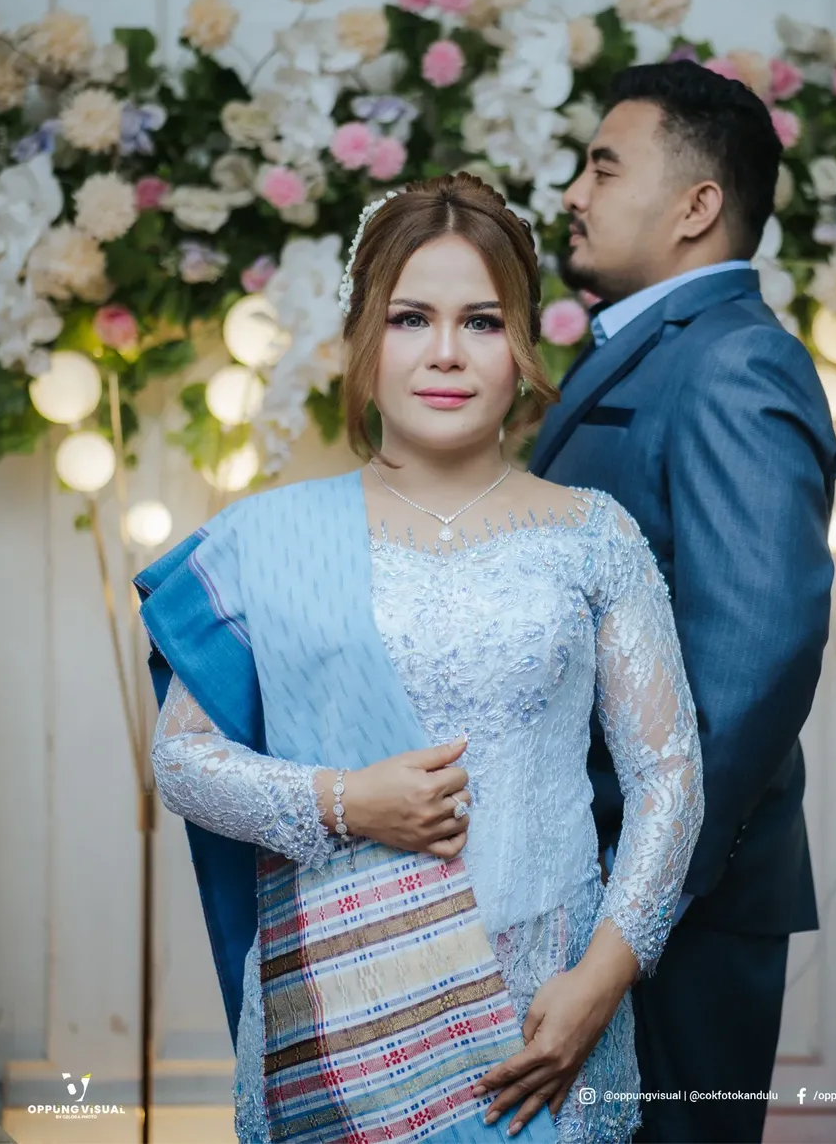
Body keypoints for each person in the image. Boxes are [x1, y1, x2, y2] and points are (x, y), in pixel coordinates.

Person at [135, 172, 704, 1144]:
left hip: (548, 1002)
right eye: (410, 319)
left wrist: (602, 979)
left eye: (481, 321)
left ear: (522, 343)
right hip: (344, 1006)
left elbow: (669, 776)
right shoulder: (267, 538)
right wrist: (345, 802)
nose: (446, 352)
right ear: (364, 341)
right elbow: (180, 760)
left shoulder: (594, 536)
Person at [528, 63, 836, 1144]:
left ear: (697, 205)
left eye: (603, 167)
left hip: (671, 908)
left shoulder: (734, 362)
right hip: (601, 879)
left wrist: (639, 904)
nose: (574, 193)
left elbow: (755, 660)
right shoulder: (652, 350)